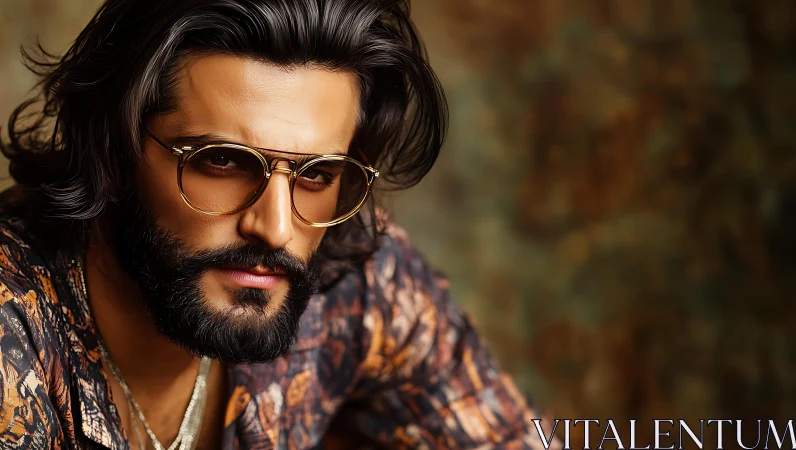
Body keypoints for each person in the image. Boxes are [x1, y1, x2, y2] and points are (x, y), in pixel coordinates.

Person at [0, 0, 558, 448]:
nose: (276, 229)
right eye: (221, 161)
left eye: (317, 174)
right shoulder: (12, 336)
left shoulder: (350, 275)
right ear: (114, 152)